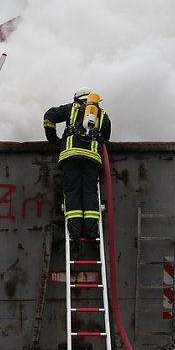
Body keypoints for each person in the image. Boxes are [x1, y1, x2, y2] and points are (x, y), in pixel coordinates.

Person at [43, 87, 112, 245]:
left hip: (70, 156)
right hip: (92, 159)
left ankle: (74, 231)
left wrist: (54, 139)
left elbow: (49, 116)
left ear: (77, 99)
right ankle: (92, 230)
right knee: (90, 192)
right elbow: (106, 138)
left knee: (72, 191)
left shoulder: (71, 109)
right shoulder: (102, 114)